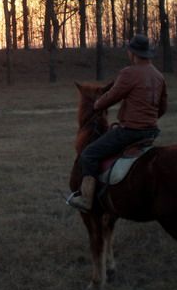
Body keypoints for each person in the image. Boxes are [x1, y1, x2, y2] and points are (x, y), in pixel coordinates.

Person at [68, 34, 168, 212]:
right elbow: (162, 107)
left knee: (89, 154)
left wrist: (97, 104)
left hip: (130, 132)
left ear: (132, 53)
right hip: (151, 132)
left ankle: (86, 199)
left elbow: (111, 96)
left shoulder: (129, 73)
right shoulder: (158, 76)